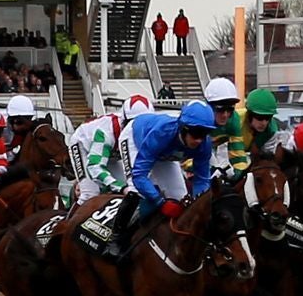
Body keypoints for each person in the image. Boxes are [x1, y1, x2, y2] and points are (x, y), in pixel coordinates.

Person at [92, 99, 219, 254]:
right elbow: (139, 175)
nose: (199, 139)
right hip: (136, 139)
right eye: (195, 133)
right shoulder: (162, 133)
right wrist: (160, 203)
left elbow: (202, 180)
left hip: (165, 154)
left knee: (181, 197)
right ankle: (116, 239)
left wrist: (198, 203)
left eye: (204, 133)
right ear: (183, 128)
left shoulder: (204, 144)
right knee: (135, 189)